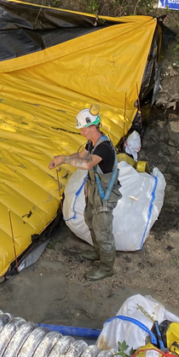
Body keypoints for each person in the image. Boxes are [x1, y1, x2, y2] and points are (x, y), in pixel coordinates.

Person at [48, 105, 122, 281]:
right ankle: (98, 252)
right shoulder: (92, 143)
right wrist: (61, 160)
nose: (81, 132)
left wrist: (64, 159)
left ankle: (106, 268)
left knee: (103, 232)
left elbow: (88, 163)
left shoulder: (103, 147)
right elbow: (81, 156)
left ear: (93, 127)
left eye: (83, 129)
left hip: (104, 195)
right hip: (94, 191)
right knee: (90, 221)